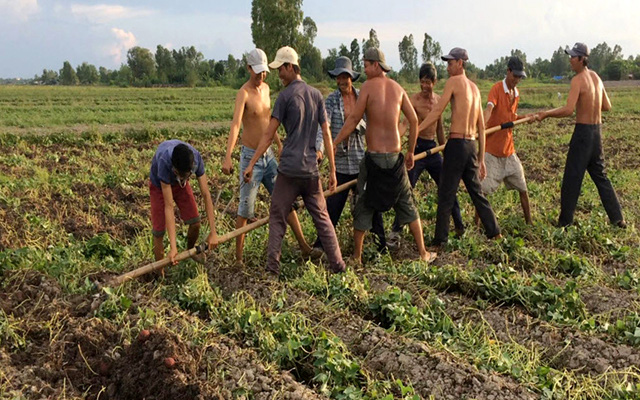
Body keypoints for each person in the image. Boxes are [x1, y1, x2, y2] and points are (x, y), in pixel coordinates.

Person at [243, 46, 345, 275]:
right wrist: (332, 171)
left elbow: (268, 134)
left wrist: (251, 164)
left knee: (278, 216)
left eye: (281, 69)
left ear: (291, 67)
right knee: (322, 218)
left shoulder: (285, 97)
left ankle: (272, 269)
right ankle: (338, 265)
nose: (278, 74)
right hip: (311, 170)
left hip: (289, 171)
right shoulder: (317, 95)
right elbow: (327, 135)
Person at [333, 47, 436, 264]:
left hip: (375, 158)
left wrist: (334, 142)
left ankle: (357, 257)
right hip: (395, 158)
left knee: (364, 204)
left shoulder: (369, 87)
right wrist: (409, 151)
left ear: (376, 65)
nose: (364, 68)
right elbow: (414, 122)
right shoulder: (398, 89)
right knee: (407, 204)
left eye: (366, 65)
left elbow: (352, 121)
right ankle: (423, 253)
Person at [222, 48, 316, 265]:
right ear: (248, 69)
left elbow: (269, 123)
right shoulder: (243, 93)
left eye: (264, 72)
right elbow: (236, 125)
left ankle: (303, 245)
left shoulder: (266, 89)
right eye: (257, 72)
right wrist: (228, 156)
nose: (261, 76)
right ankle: (238, 258)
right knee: (245, 209)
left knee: (286, 200)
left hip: (269, 156)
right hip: (249, 158)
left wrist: (279, 144)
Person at [534, 43, 625, 228]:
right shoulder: (596, 78)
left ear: (582, 59)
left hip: (583, 134)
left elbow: (568, 110)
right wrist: (590, 103)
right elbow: (607, 106)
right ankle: (618, 218)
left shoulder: (577, 80)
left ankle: (564, 222)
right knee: (601, 176)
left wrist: (546, 114)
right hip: (596, 133)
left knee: (571, 178)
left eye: (573, 57)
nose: (570, 60)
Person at [419, 47, 501, 246]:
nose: (447, 67)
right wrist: (480, 159)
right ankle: (495, 232)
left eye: (450, 63)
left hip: (456, 145)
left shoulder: (454, 82)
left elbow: (438, 111)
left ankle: (440, 239)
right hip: (471, 145)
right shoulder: (475, 88)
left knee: (446, 193)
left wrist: (417, 129)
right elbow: (481, 127)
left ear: (460, 63)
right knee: (476, 192)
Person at [313, 56, 387, 253]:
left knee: (370, 201)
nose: (341, 81)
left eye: (344, 77)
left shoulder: (362, 96)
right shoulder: (330, 100)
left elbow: (371, 125)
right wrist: (320, 149)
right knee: (334, 206)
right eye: (338, 77)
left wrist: (355, 124)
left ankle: (381, 244)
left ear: (351, 78)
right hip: (340, 163)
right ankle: (321, 245)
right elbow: (324, 127)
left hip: (360, 159)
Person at [389, 62, 465, 246]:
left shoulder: (439, 100)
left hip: (432, 150)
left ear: (435, 82)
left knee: (447, 187)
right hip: (416, 149)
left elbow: (438, 127)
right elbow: (405, 124)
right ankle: (395, 231)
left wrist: (444, 148)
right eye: (422, 82)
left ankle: (460, 225)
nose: (424, 86)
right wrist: (396, 140)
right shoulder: (413, 100)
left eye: (428, 82)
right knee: (406, 189)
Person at [149, 140, 218, 270]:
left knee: (195, 222)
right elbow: (169, 207)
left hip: (181, 186)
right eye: (180, 174)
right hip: (159, 186)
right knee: (158, 232)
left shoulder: (196, 159)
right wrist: (173, 247)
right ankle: (160, 274)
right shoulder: (164, 161)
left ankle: (190, 250)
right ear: (175, 170)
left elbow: (206, 195)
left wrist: (213, 232)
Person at [481, 56, 532, 225]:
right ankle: (476, 226)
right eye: (515, 76)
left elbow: (512, 117)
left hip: (509, 151)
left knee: (523, 188)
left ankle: (529, 223)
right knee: (483, 191)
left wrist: (526, 117)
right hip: (492, 151)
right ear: (508, 71)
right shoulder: (496, 89)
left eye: (519, 77)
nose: (517, 80)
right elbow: (489, 108)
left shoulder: (515, 94)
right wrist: (482, 124)